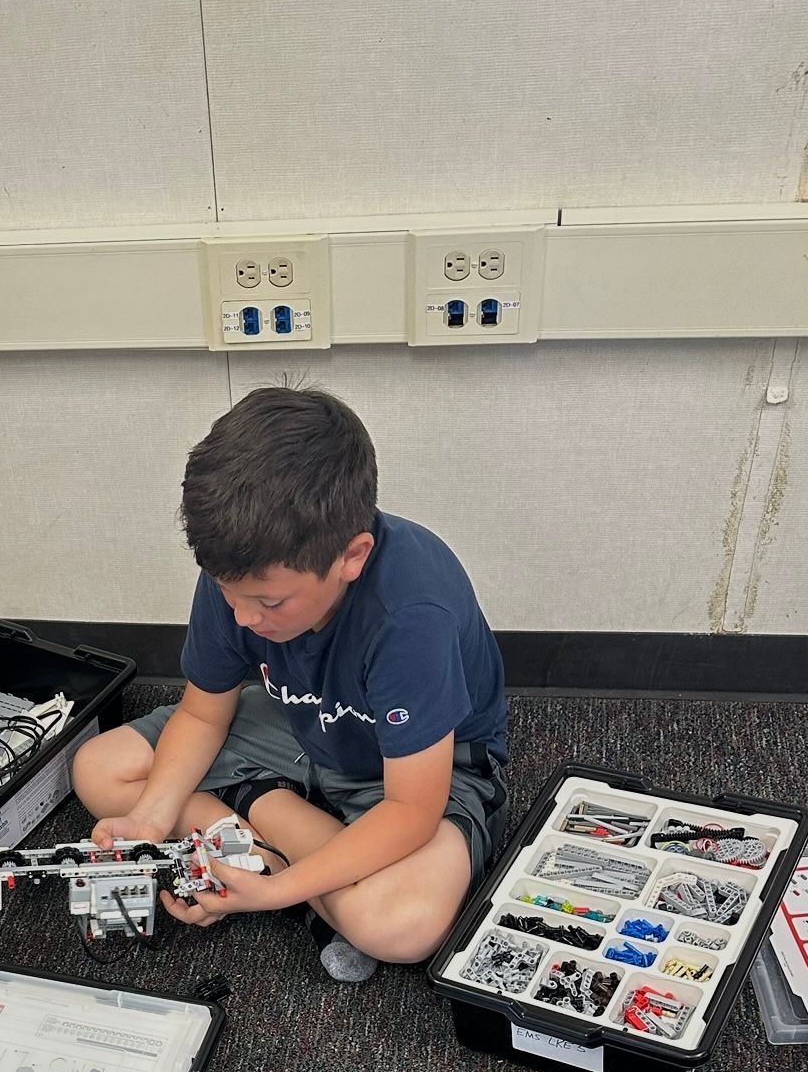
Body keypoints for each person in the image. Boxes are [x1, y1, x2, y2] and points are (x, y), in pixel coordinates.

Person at [71, 384, 509, 981]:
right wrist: (150, 820)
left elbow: (411, 809)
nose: (244, 617)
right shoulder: (240, 575)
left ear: (352, 557)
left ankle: (258, 818)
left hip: (419, 767)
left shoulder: (411, 613)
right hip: (295, 720)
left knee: (403, 926)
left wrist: (271, 890)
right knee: (97, 769)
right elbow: (202, 715)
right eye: (229, 595)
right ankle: (290, 837)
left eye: (268, 602)